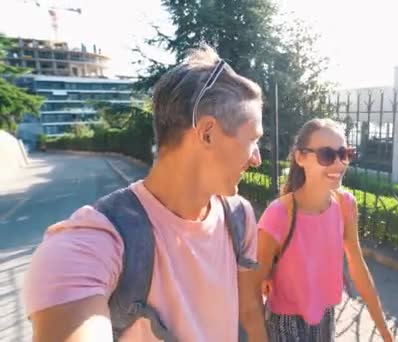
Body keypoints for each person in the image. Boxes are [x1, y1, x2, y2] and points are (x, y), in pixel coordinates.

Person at [23, 46, 269, 341]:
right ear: (207, 133)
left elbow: (249, 312)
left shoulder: (239, 217)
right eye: (253, 140)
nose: (257, 159)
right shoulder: (90, 244)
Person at [253, 118, 394, 341]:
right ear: (300, 157)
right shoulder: (278, 214)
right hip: (284, 320)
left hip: (325, 314)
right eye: (327, 155)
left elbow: (357, 265)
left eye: (345, 153)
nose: (339, 163)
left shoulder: (346, 205)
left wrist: (385, 331)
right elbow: (254, 288)